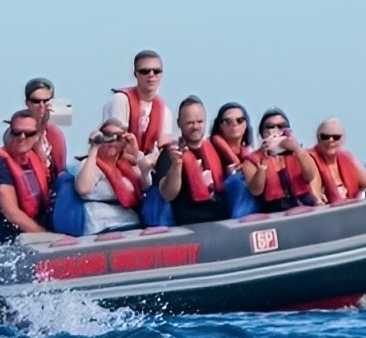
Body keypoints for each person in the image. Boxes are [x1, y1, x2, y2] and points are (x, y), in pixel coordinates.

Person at [156, 97, 232, 225]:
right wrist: (176, 164)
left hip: (221, 219)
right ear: (179, 123)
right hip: (191, 223)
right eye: (190, 123)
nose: (195, 126)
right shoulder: (170, 153)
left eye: (200, 121)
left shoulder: (216, 148)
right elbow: (167, 194)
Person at [0, 110, 53, 243]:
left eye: (29, 133)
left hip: (35, 227)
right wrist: (45, 235)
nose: (22, 137)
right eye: (17, 132)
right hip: (11, 238)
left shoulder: (33, 158)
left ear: (37, 136)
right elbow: (11, 213)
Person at [72, 117, 146, 234]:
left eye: (118, 137)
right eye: (107, 136)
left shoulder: (127, 167)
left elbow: (147, 186)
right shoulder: (91, 163)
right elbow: (83, 188)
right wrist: (94, 147)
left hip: (132, 224)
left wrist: (136, 152)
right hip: (102, 227)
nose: (112, 142)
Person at [248, 108, 324, 212]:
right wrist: (262, 165)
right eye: (270, 127)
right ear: (262, 134)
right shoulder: (252, 159)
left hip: (304, 204)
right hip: (275, 209)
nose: (275, 131)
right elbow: (256, 190)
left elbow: (310, 176)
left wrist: (297, 150)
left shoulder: (299, 152)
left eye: (281, 126)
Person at [103, 50, 177, 156]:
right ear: (135, 74)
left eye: (156, 71)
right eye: (145, 71)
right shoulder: (120, 100)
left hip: (148, 164)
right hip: (119, 159)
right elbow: (115, 141)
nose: (151, 75)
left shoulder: (165, 111)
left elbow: (163, 146)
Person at [310, 118, 366, 202]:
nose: (330, 140)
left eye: (336, 137)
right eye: (325, 137)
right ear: (318, 138)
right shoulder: (309, 160)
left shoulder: (347, 159)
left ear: (343, 139)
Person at [24, 78, 70, 180]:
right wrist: (42, 124)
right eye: (36, 101)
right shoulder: (18, 129)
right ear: (27, 103)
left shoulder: (55, 132)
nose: (41, 106)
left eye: (46, 101)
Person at [211, 102, 261, 191]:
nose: (234, 124)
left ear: (246, 124)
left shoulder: (251, 153)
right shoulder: (211, 151)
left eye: (240, 120)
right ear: (220, 126)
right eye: (228, 121)